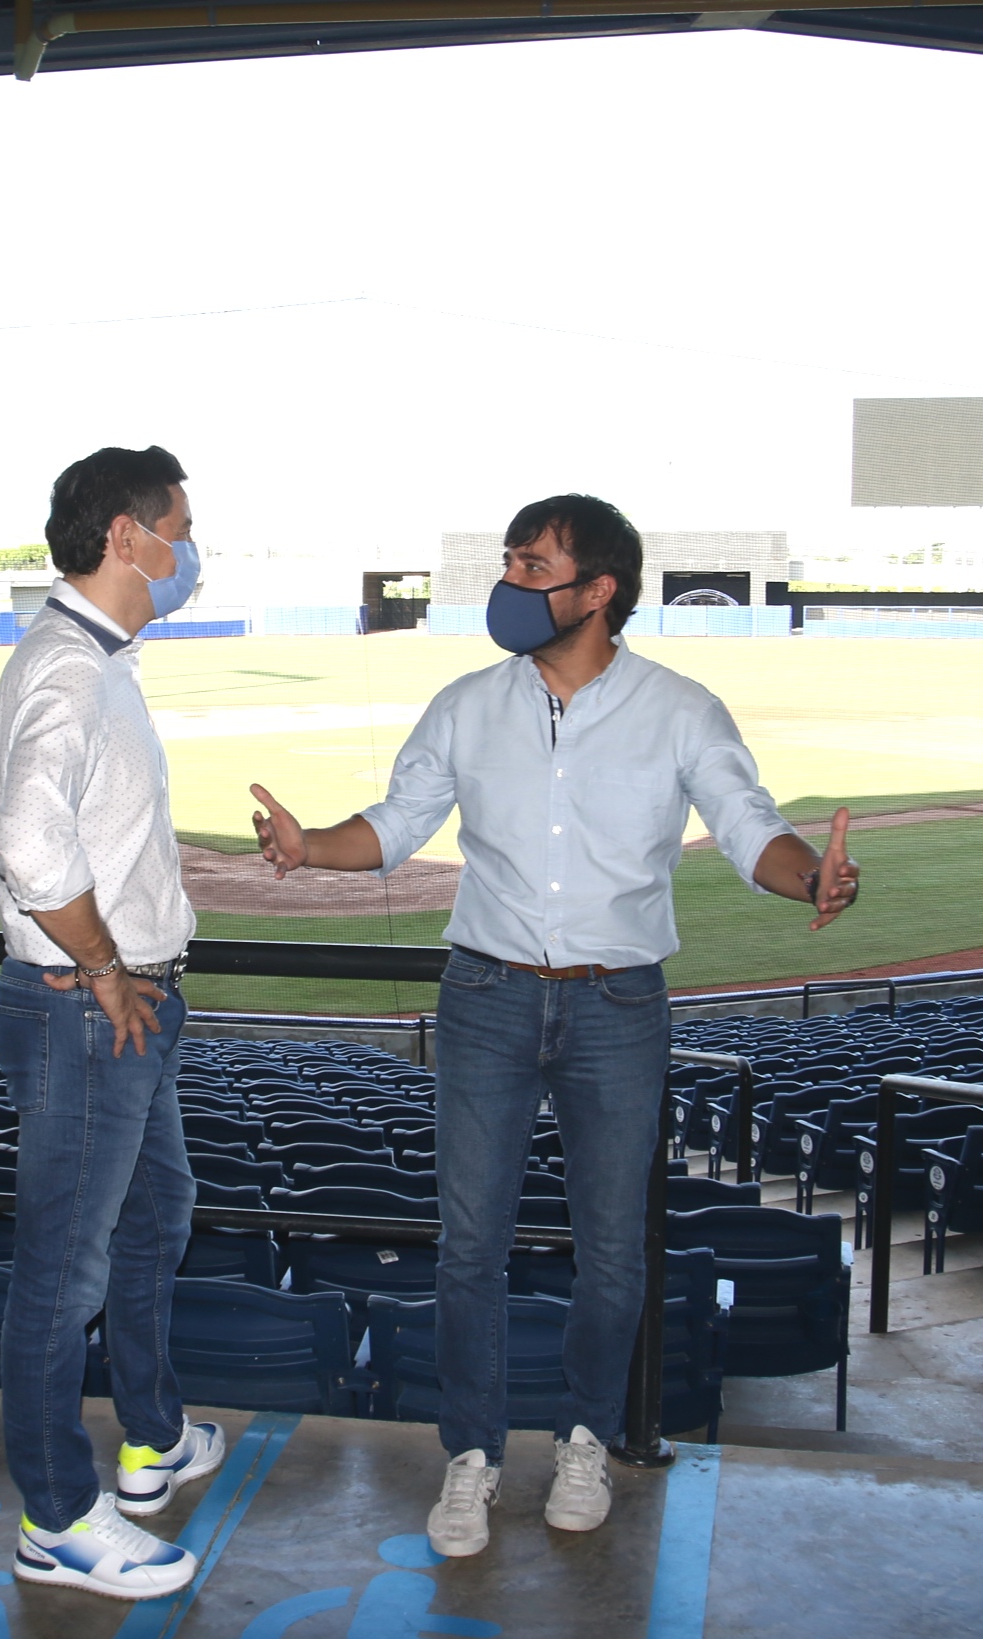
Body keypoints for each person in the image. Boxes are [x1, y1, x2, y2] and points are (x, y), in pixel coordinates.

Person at [249, 493, 858, 1559]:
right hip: (483, 996)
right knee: (468, 1247)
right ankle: (470, 1454)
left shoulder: (680, 708)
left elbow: (748, 826)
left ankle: (585, 1436)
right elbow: (395, 825)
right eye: (511, 561)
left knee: (612, 1251)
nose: (511, 581)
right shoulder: (465, 703)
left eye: (534, 566)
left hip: (618, 1001)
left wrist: (813, 874)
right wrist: (311, 848)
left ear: (598, 589)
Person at [0, 445, 222, 1601]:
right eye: (178, 525)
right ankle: (57, 1518)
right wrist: (108, 967)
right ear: (127, 536)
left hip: (119, 1008)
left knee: (155, 1210)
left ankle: (150, 1440)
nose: (188, 549)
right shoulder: (72, 670)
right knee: (61, 1270)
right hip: (88, 1011)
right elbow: (31, 845)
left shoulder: (94, 659)